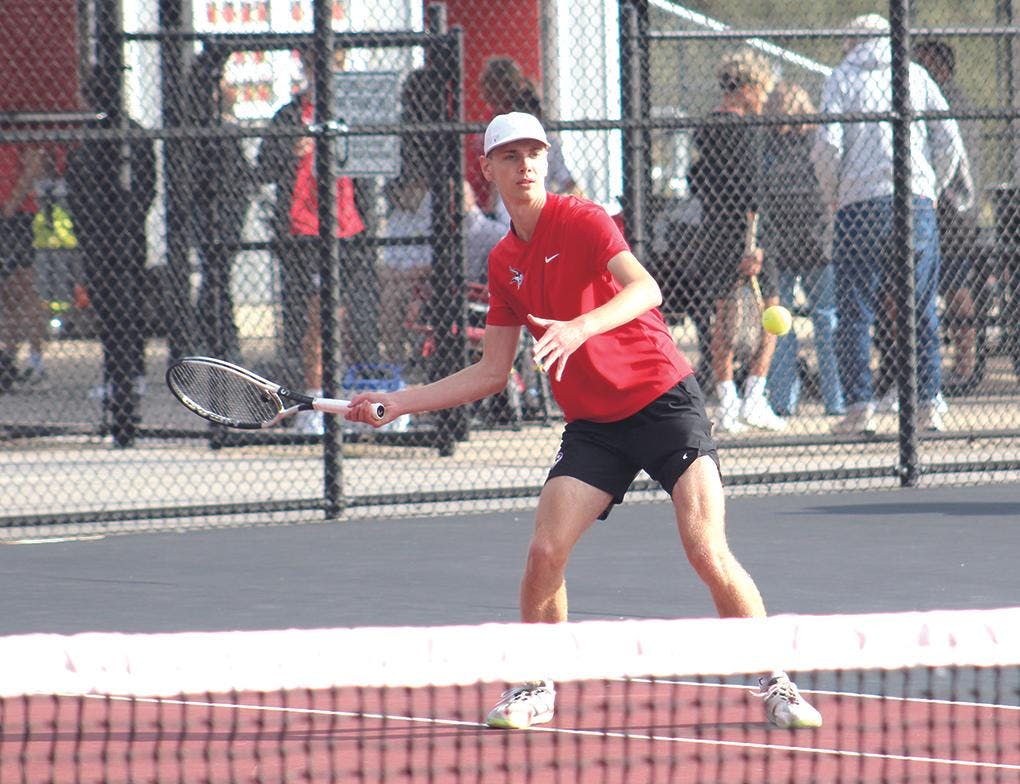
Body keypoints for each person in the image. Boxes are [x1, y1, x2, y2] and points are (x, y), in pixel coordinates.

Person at [346, 111, 822, 732]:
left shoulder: (584, 218)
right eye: (510, 156)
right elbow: (491, 372)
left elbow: (645, 289)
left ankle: (774, 678)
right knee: (546, 549)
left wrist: (579, 326)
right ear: (487, 169)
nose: (525, 166)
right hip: (595, 425)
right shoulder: (502, 262)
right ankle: (537, 684)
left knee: (705, 547)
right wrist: (400, 402)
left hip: (663, 400)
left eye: (534, 154)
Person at [812, 14, 967, 434]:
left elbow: (828, 144)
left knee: (856, 310)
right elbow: (948, 136)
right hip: (914, 198)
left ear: (852, 41)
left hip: (859, 202)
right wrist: (933, 182)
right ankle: (928, 402)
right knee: (919, 307)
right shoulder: (913, 73)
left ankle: (860, 408)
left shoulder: (841, 77)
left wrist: (835, 193)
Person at [256, 48, 366, 434]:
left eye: (334, 63)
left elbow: (370, 166)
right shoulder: (289, 115)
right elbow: (263, 168)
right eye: (320, 65)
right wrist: (291, 152)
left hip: (346, 228)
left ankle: (346, 401)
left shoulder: (351, 111)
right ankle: (314, 399)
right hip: (304, 231)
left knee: (343, 317)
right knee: (313, 319)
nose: (327, 72)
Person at [689, 49, 786, 433]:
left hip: (715, 233)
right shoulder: (745, 131)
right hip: (748, 236)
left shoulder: (705, 129)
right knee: (772, 315)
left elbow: (695, 180)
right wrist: (753, 246)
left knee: (723, 319)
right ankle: (752, 398)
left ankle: (729, 404)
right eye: (760, 90)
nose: (763, 98)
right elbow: (751, 193)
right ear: (744, 89)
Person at [380, 68, 505, 365]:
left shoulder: (475, 226)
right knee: (389, 290)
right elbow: (400, 189)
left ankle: (400, 363)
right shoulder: (405, 132)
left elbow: (442, 265)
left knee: (396, 292)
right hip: (417, 242)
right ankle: (395, 365)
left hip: (446, 276)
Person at [65, 76, 157, 448]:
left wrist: (130, 218)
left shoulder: (131, 134)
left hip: (124, 232)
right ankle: (117, 376)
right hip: (100, 234)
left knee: (127, 303)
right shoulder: (86, 137)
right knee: (107, 302)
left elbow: (146, 184)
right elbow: (77, 188)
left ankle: (130, 373)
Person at [758, 82, 846, 417]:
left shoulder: (769, 143)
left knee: (782, 322)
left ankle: (784, 400)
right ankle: (834, 400)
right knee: (824, 319)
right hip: (816, 239)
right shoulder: (816, 140)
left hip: (785, 242)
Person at [914, 39, 980, 387]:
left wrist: (938, 189)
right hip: (932, 205)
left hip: (954, 208)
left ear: (941, 67)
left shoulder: (950, 100)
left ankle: (965, 365)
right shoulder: (923, 96)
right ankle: (922, 371)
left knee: (955, 286)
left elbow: (955, 159)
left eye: (925, 64)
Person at [189, 50, 256, 361]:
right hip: (213, 204)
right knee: (216, 272)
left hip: (229, 202)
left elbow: (240, 171)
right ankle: (217, 337)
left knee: (218, 273)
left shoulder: (225, 123)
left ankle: (215, 336)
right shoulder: (204, 121)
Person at [468, 56, 581, 223]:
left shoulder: (541, 133)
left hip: (523, 210)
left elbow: (568, 182)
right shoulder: (488, 125)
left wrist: (582, 208)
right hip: (496, 209)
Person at [0, 141, 47, 393]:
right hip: (7, 210)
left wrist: (11, 204)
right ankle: (8, 359)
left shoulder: (16, 115)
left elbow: (33, 164)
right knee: (6, 292)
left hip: (14, 213)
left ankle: (35, 359)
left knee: (23, 287)